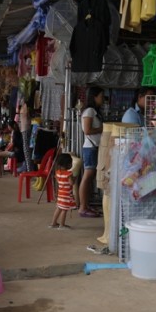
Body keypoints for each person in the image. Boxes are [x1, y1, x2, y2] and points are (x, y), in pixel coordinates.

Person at [79, 87, 105, 218]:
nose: (102, 99)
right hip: (90, 148)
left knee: (90, 178)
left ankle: (86, 205)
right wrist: (102, 128)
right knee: (87, 176)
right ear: (94, 97)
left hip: (93, 148)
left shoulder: (93, 111)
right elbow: (87, 130)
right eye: (101, 96)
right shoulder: (89, 111)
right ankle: (82, 207)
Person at [50, 153, 77, 229]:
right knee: (64, 210)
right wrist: (74, 178)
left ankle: (53, 223)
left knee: (59, 208)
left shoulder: (57, 172)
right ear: (68, 164)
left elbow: (59, 181)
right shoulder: (69, 173)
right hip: (66, 195)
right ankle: (62, 225)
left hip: (60, 194)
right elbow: (71, 183)